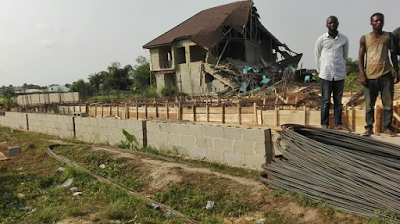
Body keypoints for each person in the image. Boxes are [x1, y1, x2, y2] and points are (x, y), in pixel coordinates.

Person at [358, 13, 399, 136]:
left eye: (381, 21)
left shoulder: (388, 36)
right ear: (371, 22)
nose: (379, 23)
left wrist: (397, 71)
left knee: (388, 104)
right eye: (376, 21)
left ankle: (387, 127)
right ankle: (369, 127)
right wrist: (362, 74)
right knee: (369, 105)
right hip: (370, 76)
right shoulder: (364, 38)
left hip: (386, 74)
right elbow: (360, 58)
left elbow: (393, 54)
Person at [314, 16, 350, 130]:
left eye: (334, 22)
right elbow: (317, 56)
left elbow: (345, 56)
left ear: (338, 24)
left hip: (339, 74)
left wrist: (341, 68)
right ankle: (324, 124)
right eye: (330, 23)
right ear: (326, 25)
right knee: (325, 100)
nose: (332, 25)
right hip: (326, 74)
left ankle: (338, 123)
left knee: (338, 101)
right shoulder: (321, 39)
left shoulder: (344, 39)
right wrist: (321, 71)